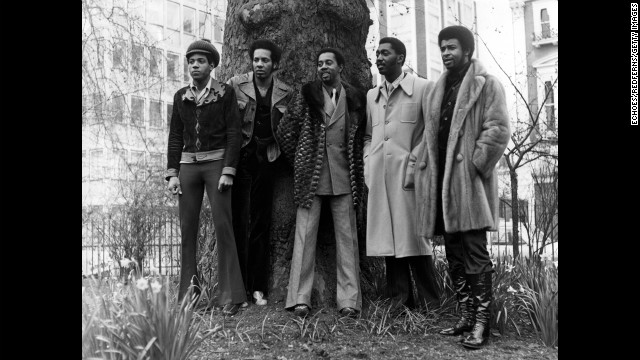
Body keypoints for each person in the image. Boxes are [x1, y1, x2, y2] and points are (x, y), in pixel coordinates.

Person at [414, 26, 510, 349]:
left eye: (451, 47)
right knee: (453, 253)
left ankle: (482, 324)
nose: (444, 53)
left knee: (476, 254)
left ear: (467, 51)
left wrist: (473, 166)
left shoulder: (487, 85)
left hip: (469, 187)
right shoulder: (436, 89)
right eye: (442, 47)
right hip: (441, 185)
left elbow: (498, 129)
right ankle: (467, 316)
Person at [276, 48, 366, 318]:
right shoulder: (307, 95)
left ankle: (349, 300)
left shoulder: (354, 98)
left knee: (348, 240)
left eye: (328, 63)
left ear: (340, 67)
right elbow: (285, 132)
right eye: (319, 64)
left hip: (344, 178)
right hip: (310, 179)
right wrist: (302, 158)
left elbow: (361, 138)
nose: (323, 67)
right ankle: (300, 298)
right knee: (304, 238)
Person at [166, 38, 246, 316]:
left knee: (224, 227)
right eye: (191, 61)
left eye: (200, 61)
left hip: (217, 167)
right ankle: (189, 295)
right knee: (187, 230)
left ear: (212, 65)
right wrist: (172, 174)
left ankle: (230, 296)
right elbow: (175, 135)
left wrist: (228, 169)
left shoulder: (224, 94)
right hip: (188, 168)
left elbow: (234, 133)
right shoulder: (180, 97)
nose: (195, 65)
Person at [364, 37, 440, 312]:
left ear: (401, 57)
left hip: (411, 178)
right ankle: (401, 304)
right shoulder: (372, 95)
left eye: (385, 53)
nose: (379, 58)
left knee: (416, 241)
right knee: (388, 241)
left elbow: (431, 133)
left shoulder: (423, 88)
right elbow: (368, 136)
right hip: (380, 178)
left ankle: (433, 304)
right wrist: (367, 165)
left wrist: (414, 165)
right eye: (377, 53)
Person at [227, 39, 293, 307]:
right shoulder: (236, 85)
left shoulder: (286, 92)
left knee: (261, 225)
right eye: (256, 60)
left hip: (268, 161)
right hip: (241, 159)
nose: (259, 65)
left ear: (274, 64)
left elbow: (289, 129)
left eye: (265, 60)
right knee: (238, 223)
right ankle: (237, 288)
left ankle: (258, 288)